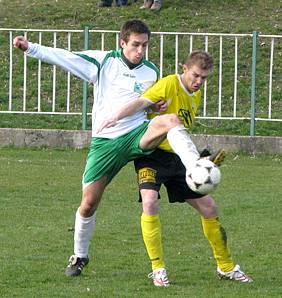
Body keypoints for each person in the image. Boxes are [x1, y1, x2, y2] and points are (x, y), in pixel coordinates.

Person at [13, 20, 216, 278]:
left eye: (144, 45)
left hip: (137, 135)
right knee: (88, 204)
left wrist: (154, 109)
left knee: (170, 121)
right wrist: (30, 48)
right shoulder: (103, 62)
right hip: (106, 142)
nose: (140, 50)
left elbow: (149, 105)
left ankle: (194, 165)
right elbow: (65, 57)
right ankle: (80, 256)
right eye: (135, 45)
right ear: (123, 43)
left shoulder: (151, 72)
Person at [100, 51, 253, 286]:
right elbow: (142, 102)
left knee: (210, 208)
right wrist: (115, 117)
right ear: (184, 69)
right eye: (195, 75)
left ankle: (226, 267)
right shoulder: (170, 83)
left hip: (178, 159)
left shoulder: (196, 95)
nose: (199, 81)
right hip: (152, 156)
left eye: (204, 77)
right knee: (150, 201)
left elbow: (181, 133)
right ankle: (158, 268)